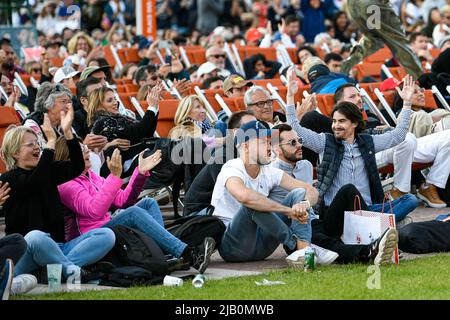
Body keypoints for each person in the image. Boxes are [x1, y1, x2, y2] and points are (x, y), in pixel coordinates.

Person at [55, 138, 215, 273]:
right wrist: (115, 176)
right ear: (70, 156)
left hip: (105, 227)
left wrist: (140, 173)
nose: (87, 150)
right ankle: (189, 254)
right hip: (90, 237)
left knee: (148, 203)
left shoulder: (92, 177)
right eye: (81, 149)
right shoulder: (67, 185)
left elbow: (124, 201)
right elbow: (94, 212)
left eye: (84, 147)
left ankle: (164, 254)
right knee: (132, 213)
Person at [285, 67, 418, 222]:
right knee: (351, 194)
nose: (335, 126)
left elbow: (399, 136)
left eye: (341, 121)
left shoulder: (367, 142)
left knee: (410, 200)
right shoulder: (325, 142)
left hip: (367, 209)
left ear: (354, 123)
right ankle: (385, 222)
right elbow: (295, 129)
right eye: (334, 121)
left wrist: (407, 103)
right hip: (338, 212)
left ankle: (377, 221)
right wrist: (289, 95)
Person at [0, 106, 115, 282]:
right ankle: (67, 271)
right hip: (26, 251)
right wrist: (50, 143)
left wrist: (68, 134)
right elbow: (35, 181)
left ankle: (56, 271)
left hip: (57, 248)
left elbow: (77, 167)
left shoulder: (47, 171)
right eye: (30, 144)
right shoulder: (9, 179)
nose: (37, 147)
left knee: (106, 235)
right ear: (15, 152)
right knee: (35, 236)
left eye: (37, 143)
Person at [269, 125, 398, 265]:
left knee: (348, 190)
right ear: (277, 149)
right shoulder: (271, 173)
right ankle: (367, 252)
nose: (299, 145)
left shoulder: (305, 165)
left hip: (316, 220)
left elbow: (314, 196)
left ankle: (374, 239)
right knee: (328, 242)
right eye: (292, 143)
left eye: (299, 140)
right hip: (296, 232)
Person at [211, 119, 319, 265]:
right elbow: (244, 197)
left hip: (263, 245)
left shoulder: (269, 171)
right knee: (252, 204)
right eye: (263, 142)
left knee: (298, 193)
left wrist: (303, 205)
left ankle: (304, 253)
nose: (269, 147)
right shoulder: (232, 168)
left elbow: (311, 190)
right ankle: (298, 247)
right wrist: (288, 211)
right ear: (246, 146)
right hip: (234, 247)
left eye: (270, 142)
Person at [184, 110, 256, 216]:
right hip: (199, 212)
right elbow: (235, 196)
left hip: (223, 207)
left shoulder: (251, 154)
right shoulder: (223, 157)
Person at [87, 85, 161, 175]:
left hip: (142, 154)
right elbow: (137, 133)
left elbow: (147, 133)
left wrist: (155, 107)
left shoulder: (119, 117)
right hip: (130, 163)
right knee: (174, 149)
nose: (115, 102)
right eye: (110, 100)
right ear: (98, 106)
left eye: (115, 99)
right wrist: (151, 107)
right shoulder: (102, 122)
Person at [340, 0, 423, 80]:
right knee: (400, 43)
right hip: (373, 4)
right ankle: (420, 81)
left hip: (354, 4)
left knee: (373, 40)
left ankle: (346, 66)